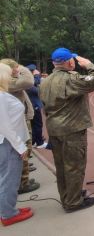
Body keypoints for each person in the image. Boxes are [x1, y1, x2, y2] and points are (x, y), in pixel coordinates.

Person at [40, 48, 94, 213]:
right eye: (73, 60)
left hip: (54, 129)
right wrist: (89, 64)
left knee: (61, 166)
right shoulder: (71, 79)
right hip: (72, 129)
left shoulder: (44, 81)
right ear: (69, 62)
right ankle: (73, 202)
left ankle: (68, 195)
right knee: (74, 166)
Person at [0, 63, 33, 226]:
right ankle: (8, 214)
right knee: (9, 178)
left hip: (9, 141)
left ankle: (9, 209)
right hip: (8, 143)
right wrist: (20, 147)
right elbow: (4, 125)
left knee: (8, 177)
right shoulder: (0, 96)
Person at [0, 58, 40, 194]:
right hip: (14, 125)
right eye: (15, 69)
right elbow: (29, 81)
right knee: (21, 151)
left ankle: (23, 178)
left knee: (24, 150)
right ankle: (23, 182)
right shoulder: (7, 83)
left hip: (18, 121)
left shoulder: (10, 81)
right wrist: (21, 67)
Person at [26, 64, 47, 148]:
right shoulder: (29, 82)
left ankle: (35, 140)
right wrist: (37, 76)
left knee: (33, 125)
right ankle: (39, 143)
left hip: (31, 105)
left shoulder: (27, 81)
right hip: (34, 105)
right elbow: (37, 90)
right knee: (38, 124)